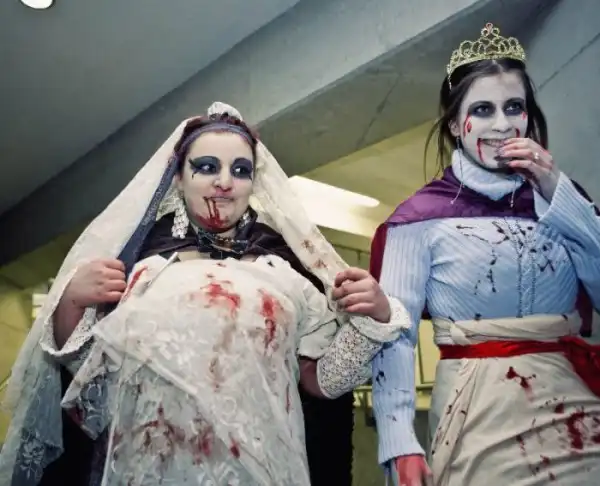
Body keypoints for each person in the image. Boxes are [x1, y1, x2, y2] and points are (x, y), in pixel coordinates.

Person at [0, 102, 411, 486]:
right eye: (208, 166)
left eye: (241, 170)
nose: (224, 182)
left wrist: (373, 321)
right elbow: (90, 379)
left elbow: (321, 382)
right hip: (149, 466)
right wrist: (72, 302)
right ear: (178, 176)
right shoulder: (139, 268)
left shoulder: (285, 272)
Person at [369, 23, 600, 486]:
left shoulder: (563, 201)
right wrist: (399, 442)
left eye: (514, 107)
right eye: (482, 109)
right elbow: (394, 336)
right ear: (456, 125)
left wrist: (557, 190)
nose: (501, 124)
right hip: (476, 416)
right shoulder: (417, 220)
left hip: (579, 413)